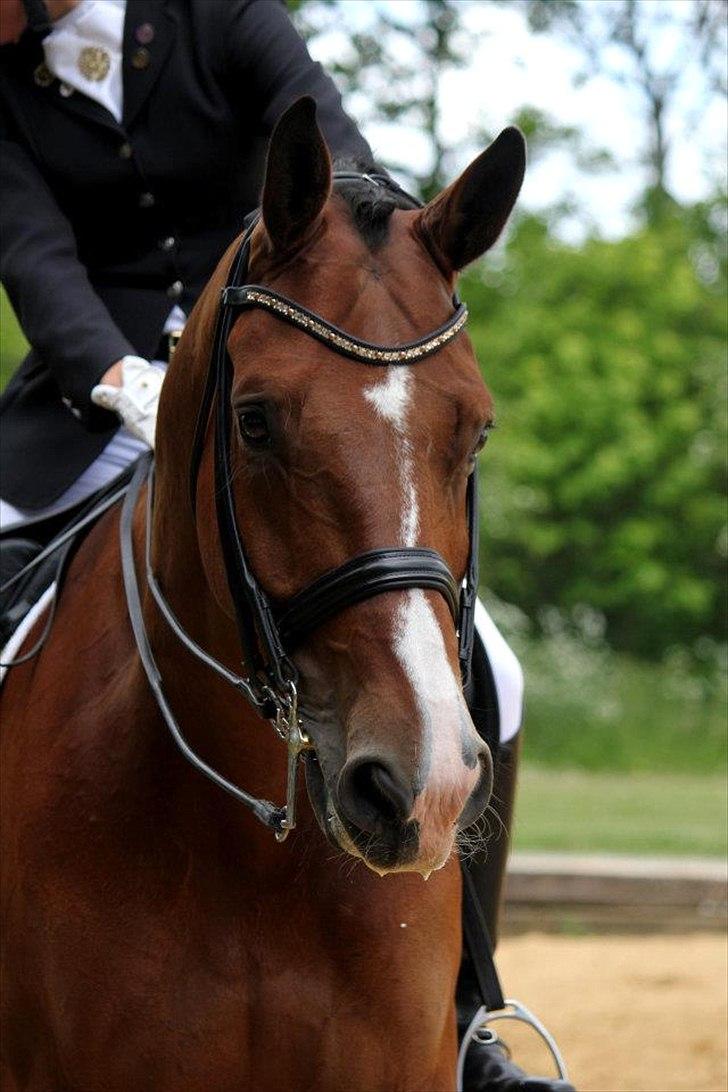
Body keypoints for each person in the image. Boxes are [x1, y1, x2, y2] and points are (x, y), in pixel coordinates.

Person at [0, 3, 572, 1089]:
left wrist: (365, 252)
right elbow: (33, 255)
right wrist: (128, 383)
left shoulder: (218, 15)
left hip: (291, 362)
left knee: (489, 668)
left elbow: (332, 143)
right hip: (96, 409)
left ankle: (467, 1018)